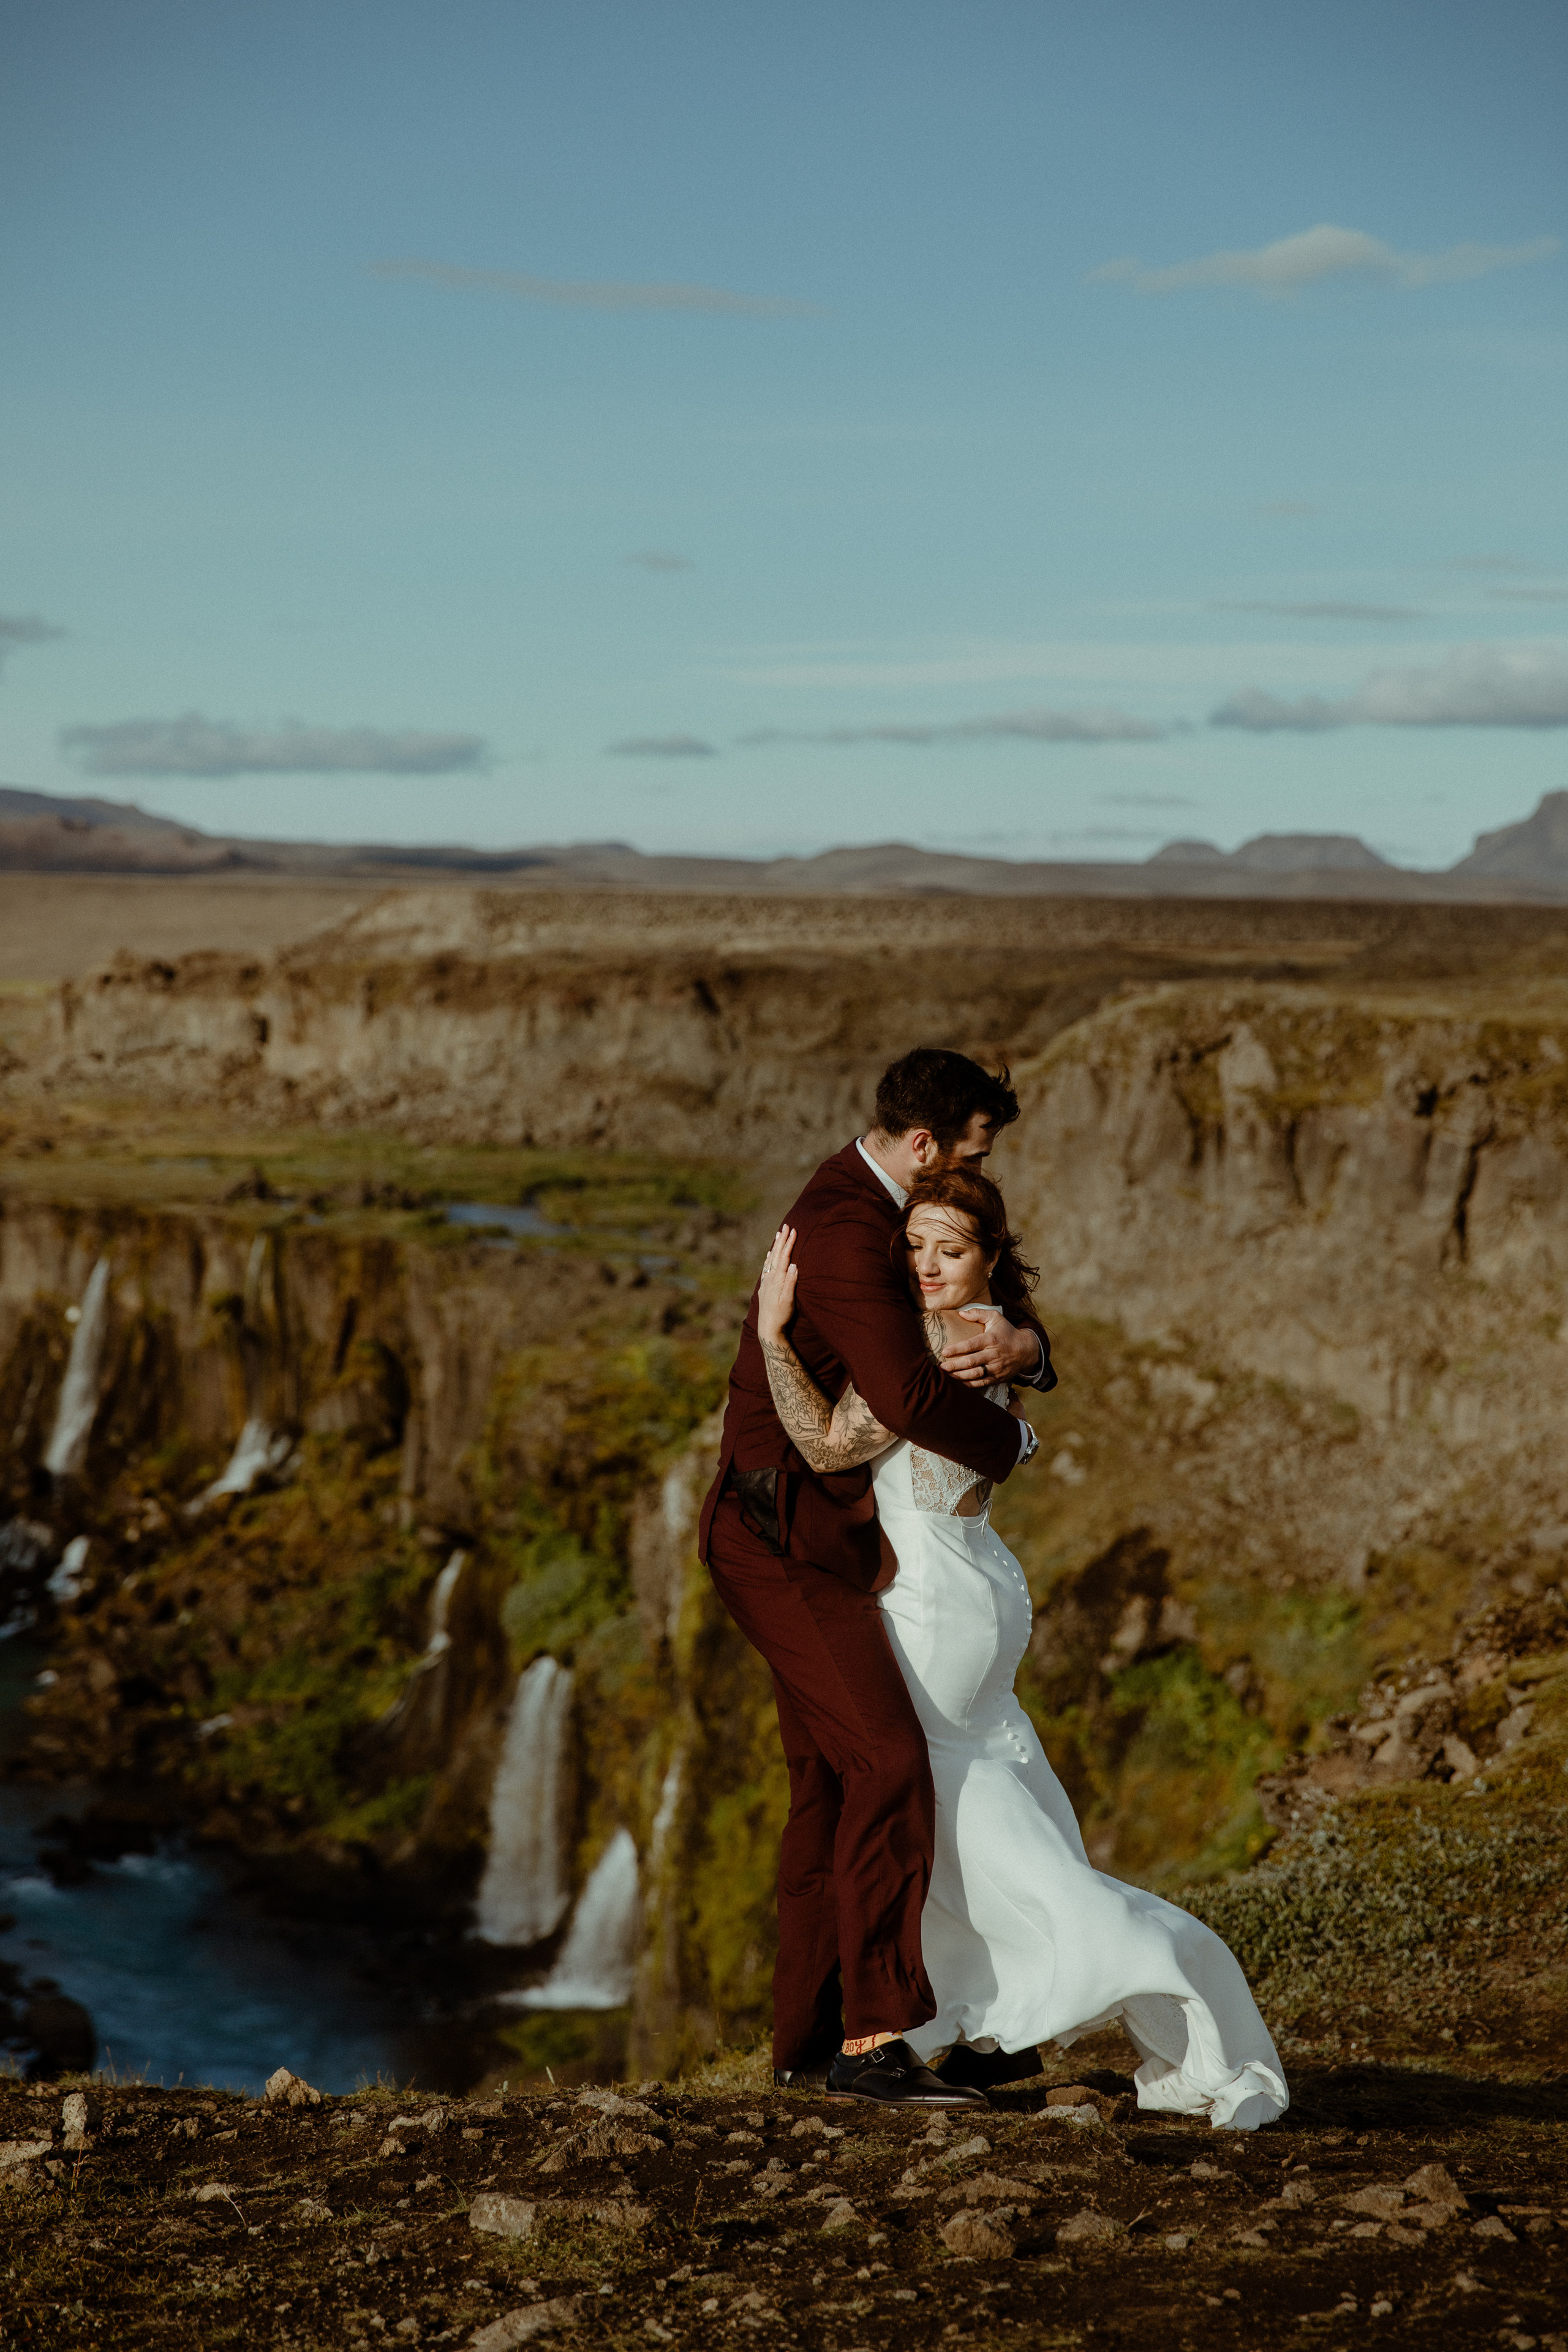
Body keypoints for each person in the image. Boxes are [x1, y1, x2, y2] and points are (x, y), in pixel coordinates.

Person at [754, 1162, 1289, 2132]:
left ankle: (1163, 1987)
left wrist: (771, 1337)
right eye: (913, 1247)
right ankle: (966, 2020)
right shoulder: (994, 1332)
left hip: (931, 1607)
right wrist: (1033, 1346)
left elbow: (828, 1444)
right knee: (964, 1826)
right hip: (976, 1587)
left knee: (957, 1831)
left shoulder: (932, 1340)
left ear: (989, 1258)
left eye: (950, 1251)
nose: (925, 1267)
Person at [698, 1049, 1057, 2108]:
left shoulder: (881, 1207)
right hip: (780, 1539)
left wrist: (1026, 1351)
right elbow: (904, 1393)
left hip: (830, 1539)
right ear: (925, 1144)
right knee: (888, 1762)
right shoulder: (851, 1228)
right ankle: (873, 2041)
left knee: (827, 1786)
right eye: (972, 1153)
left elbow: (984, 1301)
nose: (979, 1170)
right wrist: (1015, 1444)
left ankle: (807, 2045)